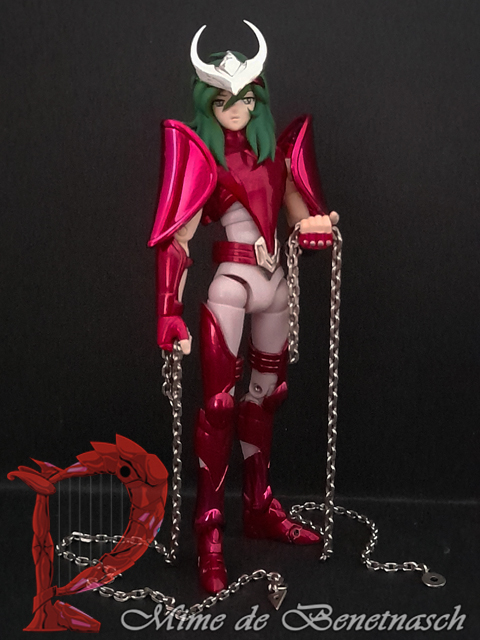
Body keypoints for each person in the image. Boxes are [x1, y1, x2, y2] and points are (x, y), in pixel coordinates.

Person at [148, 20, 339, 594]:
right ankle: (209, 528)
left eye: (247, 98)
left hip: (275, 283)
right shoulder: (204, 160)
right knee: (218, 406)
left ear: (258, 100)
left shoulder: (274, 155)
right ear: (209, 104)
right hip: (230, 284)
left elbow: (300, 213)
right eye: (225, 100)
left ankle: (258, 506)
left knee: (267, 396)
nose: (237, 107)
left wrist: (316, 226)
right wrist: (167, 309)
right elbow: (176, 238)